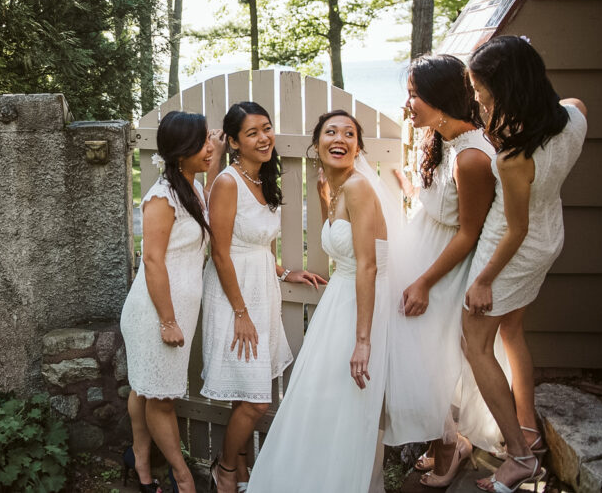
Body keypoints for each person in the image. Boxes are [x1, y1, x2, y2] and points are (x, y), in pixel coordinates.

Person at [462, 35, 587, 493]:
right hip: (549, 234)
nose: (477, 97)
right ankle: (528, 427)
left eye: (482, 90)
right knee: (512, 331)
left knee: (474, 343)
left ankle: (519, 458)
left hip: (510, 249)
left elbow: (514, 229)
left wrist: (483, 280)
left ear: (509, 88)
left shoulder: (516, 155)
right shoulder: (575, 114)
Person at [247, 110, 396, 493]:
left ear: (358, 146)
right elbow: (339, 233)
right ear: (318, 144)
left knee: (343, 402)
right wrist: (323, 193)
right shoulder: (338, 187)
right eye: (331, 132)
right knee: (321, 399)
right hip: (339, 305)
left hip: (358, 307)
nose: (340, 139)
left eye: (349, 134)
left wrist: (362, 340)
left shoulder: (360, 188)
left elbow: (368, 266)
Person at [382, 55, 496, 488]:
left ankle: (452, 445)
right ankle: (439, 439)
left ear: (441, 98)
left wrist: (425, 281)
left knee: (428, 358)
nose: (408, 103)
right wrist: (410, 190)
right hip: (424, 252)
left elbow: (468, 232)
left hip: (444, 268)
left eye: (415, 94)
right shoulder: (443, 140)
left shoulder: (472, 156)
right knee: (414, 354)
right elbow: (442, 206)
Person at [201, 102, 326, 493]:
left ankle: (238, 470)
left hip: (261, 290)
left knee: (251, 392)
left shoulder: (262, 179)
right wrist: (240, 312)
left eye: (267, 128)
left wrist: (285, 271)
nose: (264, 138)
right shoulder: (227, 182)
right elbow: (220, 252)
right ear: (235, 142)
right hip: (232, 296)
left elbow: (254, 247)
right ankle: (223, 470)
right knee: (255, 400)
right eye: (252, 132)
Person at [119, 111, 221, 493]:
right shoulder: (162, 196)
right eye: (202, 143)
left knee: (145, 389)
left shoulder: (188, 187)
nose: (210, 148)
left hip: (171, 310)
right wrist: (167, 320)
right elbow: (152, 259)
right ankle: (181, 477)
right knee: (160, 398)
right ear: (181, 152)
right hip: (156, 312)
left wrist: (214, 163)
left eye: (209, 141)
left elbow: (203, 216)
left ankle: (139, 461)